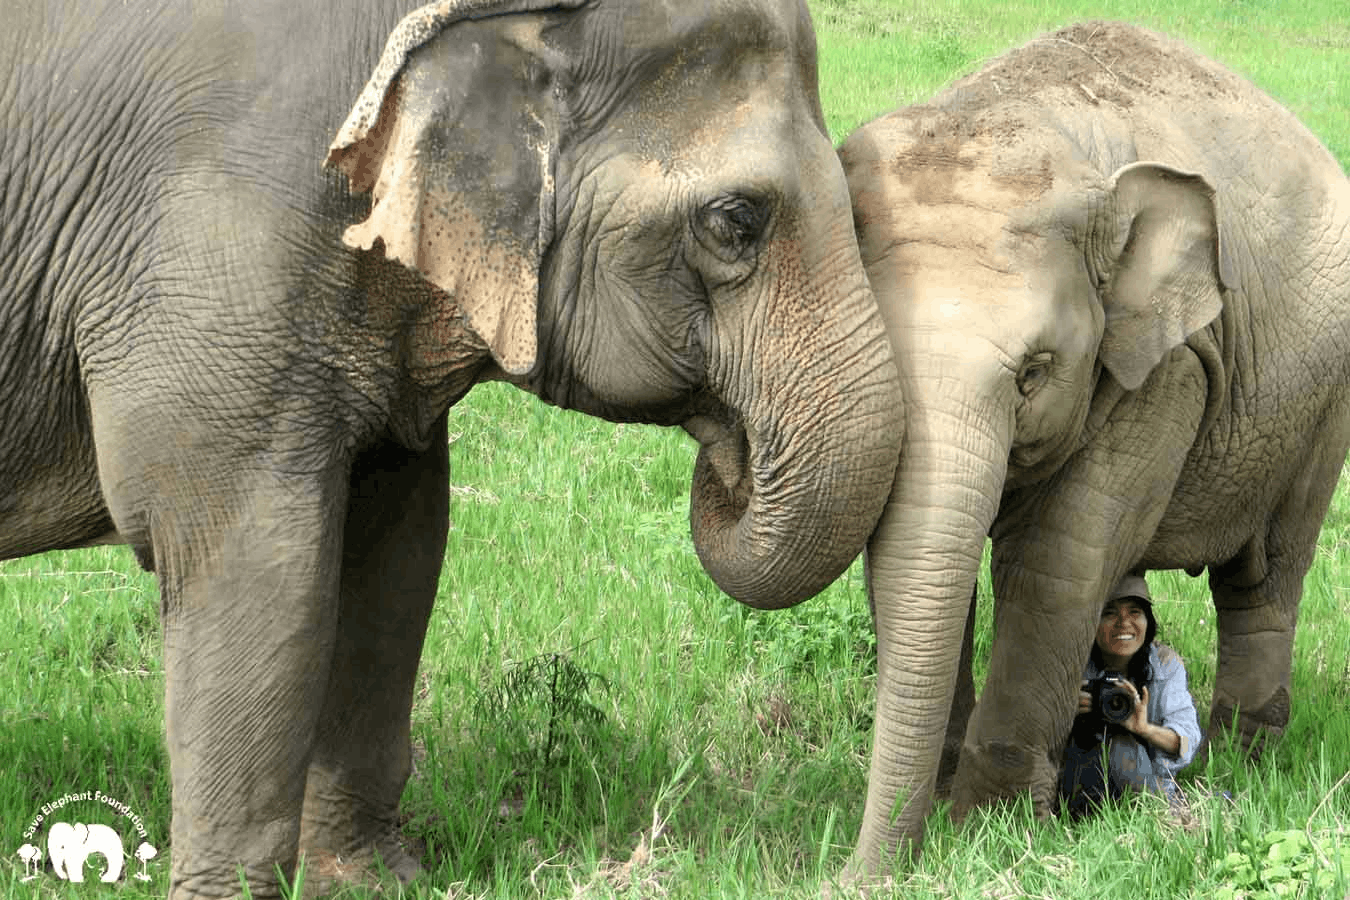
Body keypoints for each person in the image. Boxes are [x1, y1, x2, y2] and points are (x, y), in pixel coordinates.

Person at [1059, 573, 1202, 818]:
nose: (1123, 623)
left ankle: (1154, 813)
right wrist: (1064, 711)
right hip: (1077, 773)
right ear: (1092, 622)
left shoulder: (1166, 665)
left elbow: (1187, 740)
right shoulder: (1072, 662)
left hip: (1145, 783)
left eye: (1134, 612)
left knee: (1121, 746)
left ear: (1148, 621)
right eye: (1110, 613)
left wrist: (1144, 728)